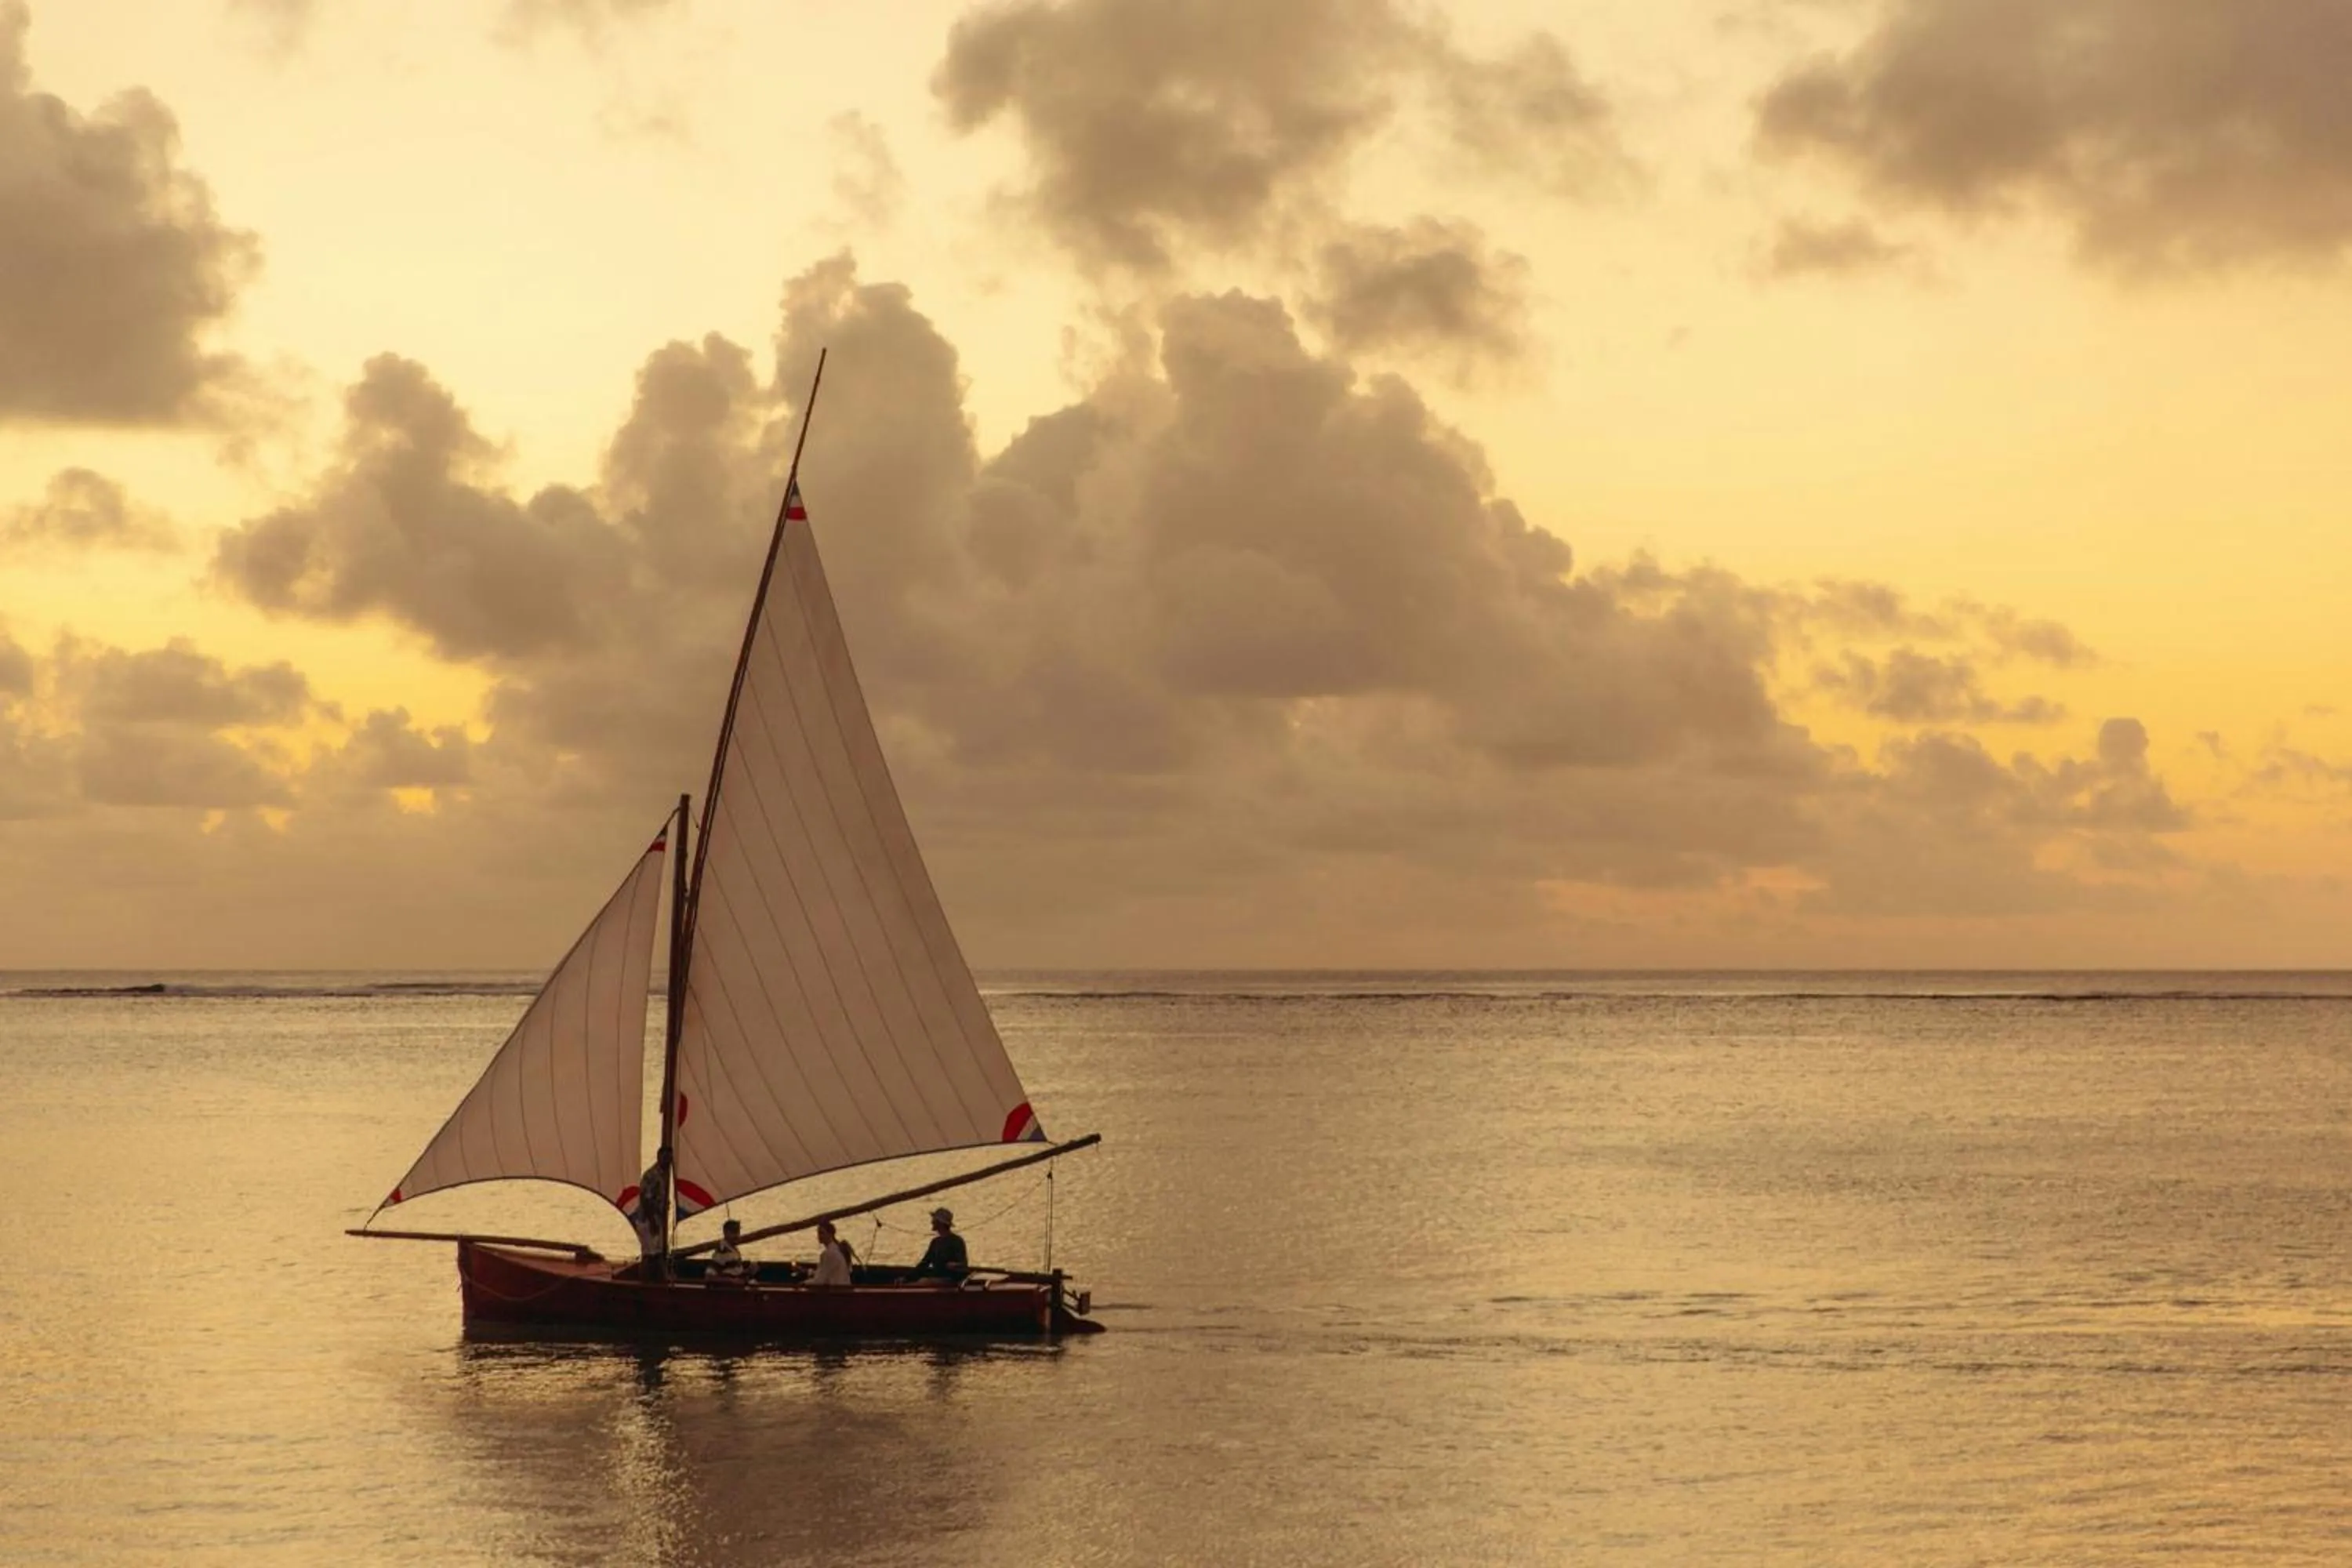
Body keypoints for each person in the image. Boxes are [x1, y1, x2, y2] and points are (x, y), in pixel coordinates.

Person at [911, 1207, 968, 1280]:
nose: (932, 1222)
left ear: (940, 1223)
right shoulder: (935, 1242)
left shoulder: (956, 1241)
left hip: (950, 1280)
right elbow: (925, 1263)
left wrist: (953, 1265)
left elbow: (963, 1264)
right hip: (937, 1277)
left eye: (934, 1220)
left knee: (923, 1282)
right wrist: (908, 1278)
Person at [707, 1218, 756, 1284]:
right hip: (729, 1290)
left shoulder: (733, 1250)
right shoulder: (722, 1251)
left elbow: (734, 1273)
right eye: (734, 1232)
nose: (737, 1235)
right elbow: (709, 1277)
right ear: (725, 1232)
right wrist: (731, 1281)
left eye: (738, 1232)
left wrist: (748, 1271)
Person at [810, 1219, 855, 1287]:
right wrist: (809, 1272)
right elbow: (825, 1273)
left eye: (822, 1233)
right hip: (843, 1290)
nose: (819, 1236)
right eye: (818, 1233)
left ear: (830, 1234)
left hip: (836, 1293)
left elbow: (820, 1281)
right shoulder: (837, 1250)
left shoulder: (829, 1254)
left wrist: (803, 1284)